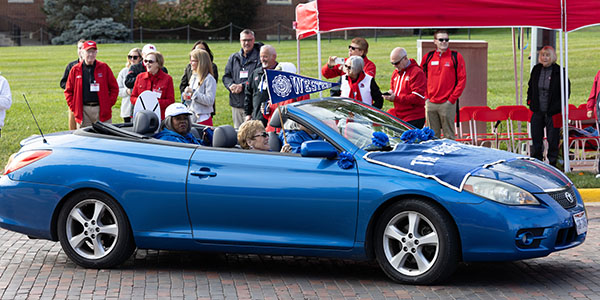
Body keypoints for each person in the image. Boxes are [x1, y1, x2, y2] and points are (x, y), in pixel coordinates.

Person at [527, 45, 570, 167]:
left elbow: (566, 90)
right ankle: (537, 162)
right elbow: (530, 87)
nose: (544, 58)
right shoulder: (536, 70)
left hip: (553, 111)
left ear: (552, 57)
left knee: (552, 138)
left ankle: (553, 163)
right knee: (536, 137)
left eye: (547, 55)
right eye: (542, 55)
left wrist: (559, 106)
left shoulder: (559, 71)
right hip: (537, 109)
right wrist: (529, 101)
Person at [421, 30, 466, 139]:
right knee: (432, 136)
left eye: (446, 40)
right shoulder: (428, 57)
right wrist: (426, 97)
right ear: (435, 41)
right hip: (431, 103)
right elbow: (421, 78)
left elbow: (462, 79)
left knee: (449, 136)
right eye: (441, 40)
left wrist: (452, 99)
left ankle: (450, 155)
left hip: (447, 103)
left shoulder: (456, 56)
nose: (444, 42)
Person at [64, 40, 119, 128]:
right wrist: (74, 107)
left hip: (101, 110)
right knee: (85, 139)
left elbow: (114, 88)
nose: (91, 54)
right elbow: (68, 91)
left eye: (93, 52)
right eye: (88, 51)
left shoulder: (104, 67)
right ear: (82, 52)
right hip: (83, 111)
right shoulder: (75, 69)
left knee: (105, 137)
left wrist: (108, 103)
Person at [223, 29, 263, 129]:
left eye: (249, 40)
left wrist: (243, 86)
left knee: (252, 133)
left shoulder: (259, 57)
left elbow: (259, 78)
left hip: (252, 105)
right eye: (244, 40)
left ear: (253, 40)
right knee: (238, 132)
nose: (246, 43)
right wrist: (231, 85)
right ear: (240, 41)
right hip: (236, 102)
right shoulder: (233, 57)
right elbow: (226, 76)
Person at [384, 47, 427, 128]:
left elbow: (417, 97)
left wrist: (396, 98)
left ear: (405, 59)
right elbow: (393, 89)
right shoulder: (395, 73)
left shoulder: (417, 72)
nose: (394, 66)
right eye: (392, 63)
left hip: (414, 116)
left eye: (396, 63)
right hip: (400, 115)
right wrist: (389, 94)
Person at [130, 51, 175, 120]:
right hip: (141, 117)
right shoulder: (140, 77)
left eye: (150, 61)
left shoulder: (167, 79)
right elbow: (133, 97)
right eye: (145, 61)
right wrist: (143, 102)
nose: (147, 64)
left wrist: (154, 103)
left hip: (160, 117)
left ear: (158, 63)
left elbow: (170, 101)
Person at [244, 45, 278, 126]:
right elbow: (248, 93)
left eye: (265, 56)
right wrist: (248, 113)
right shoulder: (256, 73)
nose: (262, 59)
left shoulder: (280, 73)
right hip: (258, 117)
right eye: (261, 56)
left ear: (274, 57)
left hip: (274, 119)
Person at [186, 49, 217, 126]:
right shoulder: (193, 76)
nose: (190, 63)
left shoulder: (209, 79)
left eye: (193, 61)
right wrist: (186, 96)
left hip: (203, 119)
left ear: (200, 62)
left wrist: (193, 93)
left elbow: (209, 101)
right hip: (192, 118)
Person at [60, 38, 85, 130]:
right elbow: (63, 83)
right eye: (79, 48)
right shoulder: (71, 66)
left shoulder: (95, 65)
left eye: (83, 48)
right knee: (73, 129)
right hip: (74, 102)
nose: (81, 51)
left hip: (89, 103)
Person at [117, 48, 142, 123]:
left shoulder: (143, 71)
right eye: (129, 57)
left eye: (135, 57)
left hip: (140, 108)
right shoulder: (124, 71)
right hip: (127, 108)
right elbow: (117, 89)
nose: (132, 59)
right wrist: (126, 91)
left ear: (141, 58)